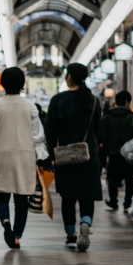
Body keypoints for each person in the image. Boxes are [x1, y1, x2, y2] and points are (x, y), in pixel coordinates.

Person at [0, 67, 48, 249]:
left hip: (2, 155)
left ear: (3, 82)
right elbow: (38, 136)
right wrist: (42, 158)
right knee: (21, 200)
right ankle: (16, 236)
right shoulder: (30, 106)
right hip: (25, 157)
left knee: (1, 195)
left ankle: (5, 222)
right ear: (22, 83)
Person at [45, 63, 101, 251]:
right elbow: (97, 131)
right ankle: (85, 221)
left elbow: (50, 132)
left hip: (66, 157)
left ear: (69, 77)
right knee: (87, 195)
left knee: (68, 197)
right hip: (89, 155)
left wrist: (47, 156)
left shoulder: (58, 100)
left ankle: (70, 235)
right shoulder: (93, 100)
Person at [101, 90, 133, 213]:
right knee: (129, 178)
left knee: (112, 178)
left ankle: (113, 201)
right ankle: (127, 203)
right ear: (127, 102)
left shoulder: (107, 117)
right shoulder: (132, 117)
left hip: (113, 152)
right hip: (129, 154)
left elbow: (103, 136)